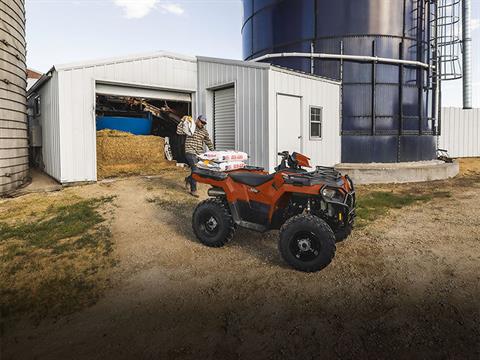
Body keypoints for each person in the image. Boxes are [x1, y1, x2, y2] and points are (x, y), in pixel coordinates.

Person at [177, 115, 214, 197]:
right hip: (190, 151)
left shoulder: (204, 131)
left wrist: (213, 151)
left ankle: (188, 179)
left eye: (204, 123)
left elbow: (208, 141)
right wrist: (182, 121)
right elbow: (179, 131)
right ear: (197, 120)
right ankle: (193, 190)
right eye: (202, 122)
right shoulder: (190, 126)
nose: (203, 124)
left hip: (199, 154)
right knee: (196, 169)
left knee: (200, 170)